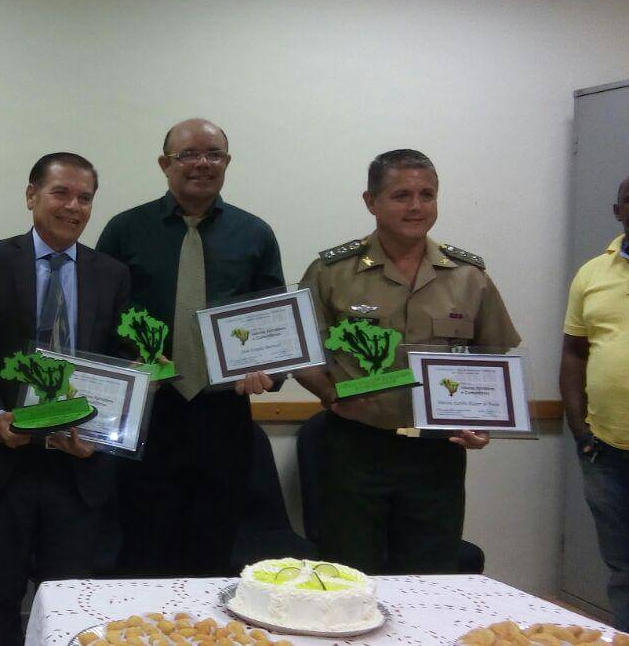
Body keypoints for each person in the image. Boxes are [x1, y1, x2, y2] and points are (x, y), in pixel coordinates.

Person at [296, 148, 520, 575]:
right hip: (355, 447)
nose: (416, 206)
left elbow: (493, 358)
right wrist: (330, 394)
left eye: (426, 195)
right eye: (401, 195)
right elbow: (300, 355)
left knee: (430, 578)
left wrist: (482, 420)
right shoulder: (332, 272)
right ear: (371, 201)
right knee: (349, 576)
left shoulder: (468, 276)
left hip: (436, 455)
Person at [95, 118, 283, 577]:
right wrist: (126, 365)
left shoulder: (255, 234)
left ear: (227, 162)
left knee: (212, 550)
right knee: (141, 549)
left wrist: (270, 372)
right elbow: (102, 316)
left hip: (223, 415)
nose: (202, 163)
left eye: (213, 154)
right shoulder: (125, 230)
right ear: (165, 164)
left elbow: (275, 320)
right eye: (188, 155)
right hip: (148, 414)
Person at [0, 153, 129, 646]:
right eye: (61, 193)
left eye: (85, 198)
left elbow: (120, 362)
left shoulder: (111, 273)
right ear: (31, 195)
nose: (73, 206)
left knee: (71, 603)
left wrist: (103, 434)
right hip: (5, 465)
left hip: (78, 469)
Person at [560, 174, 629, 629]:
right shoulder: (591, 274)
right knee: (623, 570)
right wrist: (580, 431)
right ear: (618, 210)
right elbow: (573, 354)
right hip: (606, 449)